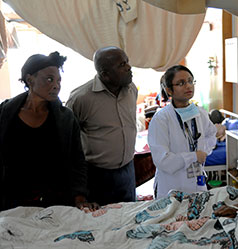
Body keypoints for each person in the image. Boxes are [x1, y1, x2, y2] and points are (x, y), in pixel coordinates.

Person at [0, 52, 98, 211]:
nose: (56, 85)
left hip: (56, 201)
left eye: (59, 80)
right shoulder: (5, 114)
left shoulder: (66, 119)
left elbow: (77, 161)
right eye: (49, 79)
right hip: (13, 201)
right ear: (30, 79)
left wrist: (79, 197)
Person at [66, 46, 137, 205]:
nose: (128, 67)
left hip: (128, 169)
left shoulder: (131, 89)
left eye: (127, 62)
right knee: (101, 222)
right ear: (105, 75)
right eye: (121, 65)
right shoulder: (81, 98)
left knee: (130, 217)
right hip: (97, 175)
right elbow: (69, 140)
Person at [148, 65, 217, 199]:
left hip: (197, 184)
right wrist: (193, 156)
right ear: (169, 90)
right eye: (181, 83)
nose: (188, 86)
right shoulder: (161, 119)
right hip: (171, 187)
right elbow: (162, 160)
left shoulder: (200, 113)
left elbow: (211, 134)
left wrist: (203, 152)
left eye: (190, 81)